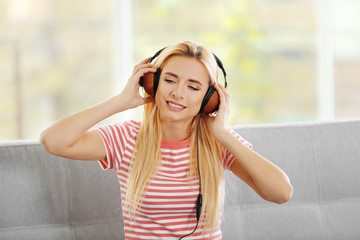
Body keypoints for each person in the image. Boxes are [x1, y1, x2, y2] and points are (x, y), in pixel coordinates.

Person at [40, 41, 293, 239]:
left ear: (210, 99)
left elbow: (281, 193)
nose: (177, 93)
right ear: (152, 83)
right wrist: (119, 102)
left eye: (193, 87)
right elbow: (53, 141)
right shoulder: (126, 138)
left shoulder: (217, 141)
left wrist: (224, 134)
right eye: (170, 80)